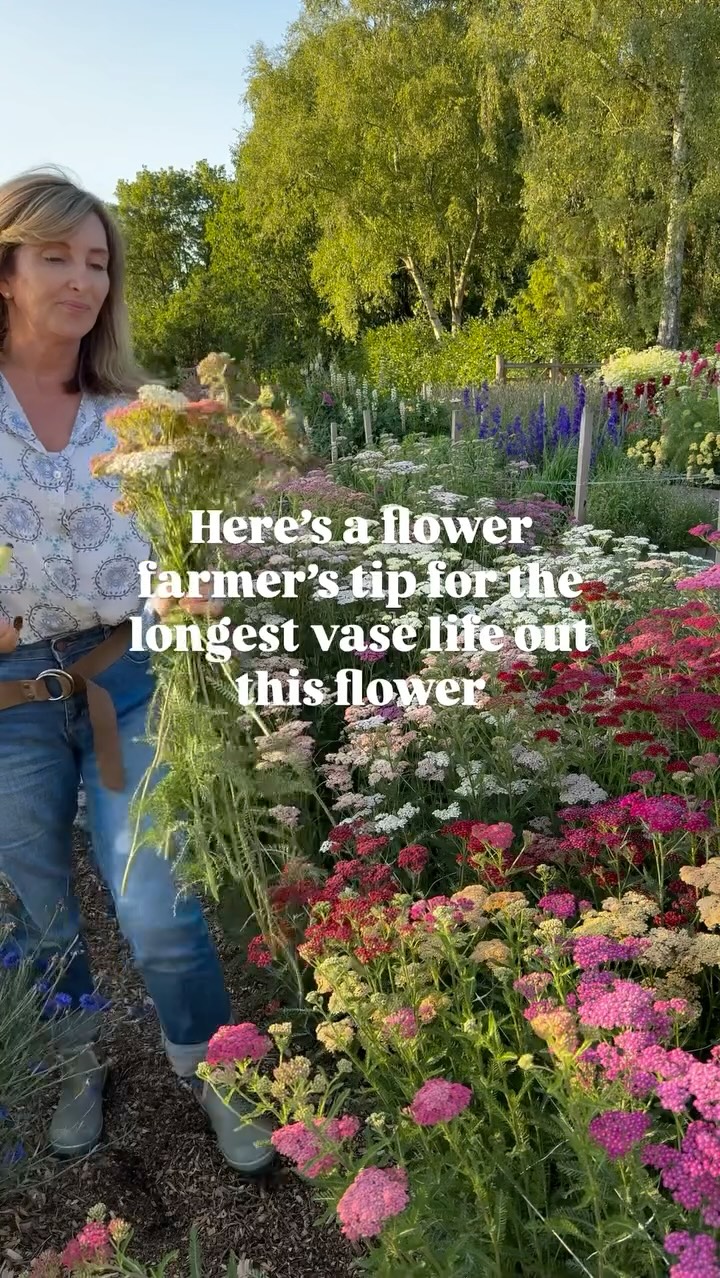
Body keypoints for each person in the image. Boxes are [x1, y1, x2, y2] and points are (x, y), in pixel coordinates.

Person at [0, 169, 274, 1174]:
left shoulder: (136, 414)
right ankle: (74, 1060)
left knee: (157, 903)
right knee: (35, 910)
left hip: (129, 672)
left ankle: (220, 1074)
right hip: (8, 698)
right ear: (7, 270)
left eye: (99, 262)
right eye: (57, 257)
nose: (83, 281)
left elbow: (188, 542)